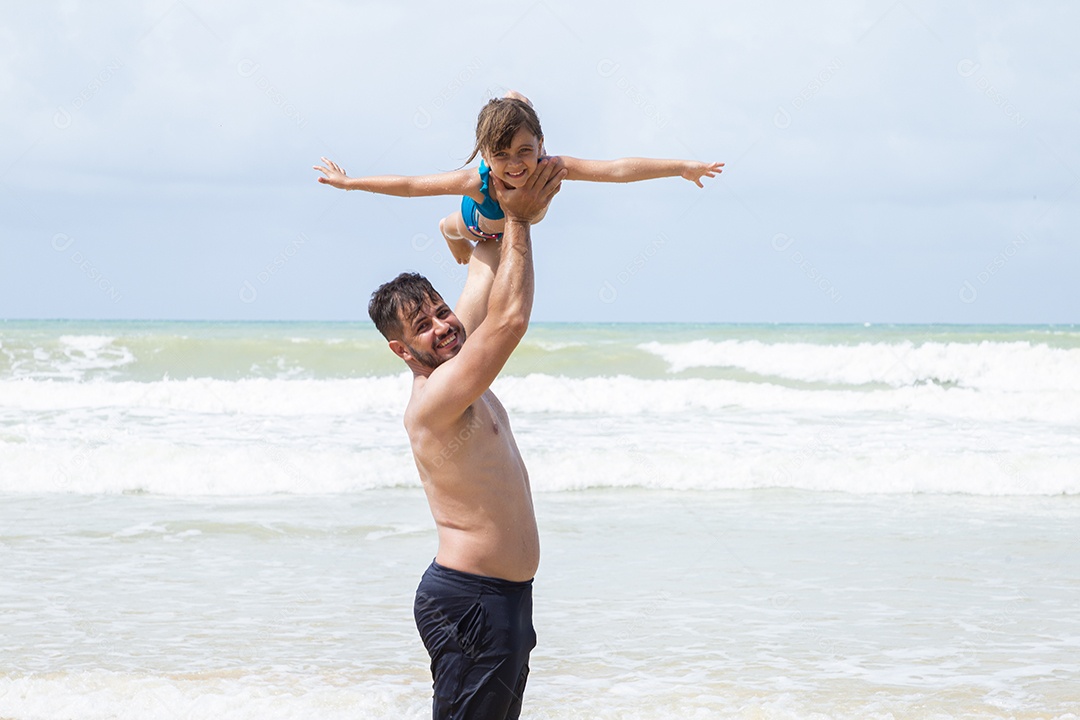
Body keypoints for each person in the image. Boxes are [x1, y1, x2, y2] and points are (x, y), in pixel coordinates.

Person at [367, 157, 566, 719]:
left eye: (440, 311)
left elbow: (484, 264)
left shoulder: (455, 354)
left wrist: (497, 192)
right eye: (423, 327)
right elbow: (510, 321)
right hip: (470, 603)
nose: (443, 326)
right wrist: (521, 219)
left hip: (504, 600)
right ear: (401, 350)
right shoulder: (435, 399)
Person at [314, 90, 723, 264]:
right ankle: (448, 231)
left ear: (541, 145)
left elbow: (616, 170)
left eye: (525, 151)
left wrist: (680, 167)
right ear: (485, 155)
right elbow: (410, 186)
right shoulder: (476, 182)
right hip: (478, 222)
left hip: (518, 215)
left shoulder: (552, 165)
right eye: (501, 155)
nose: (514, 165)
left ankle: (516, 101)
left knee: (516, 109)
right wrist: (350, 183)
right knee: (451, 227)